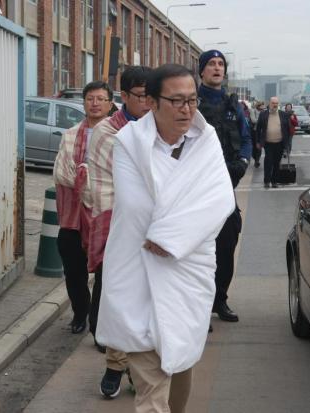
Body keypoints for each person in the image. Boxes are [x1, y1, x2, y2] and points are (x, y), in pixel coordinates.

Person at [96, 63, 235, 413]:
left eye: (192, 100)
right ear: (152, 102)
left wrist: (170, 237)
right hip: (139, 271)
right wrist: (177, 219)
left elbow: (220, 201)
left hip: (188, 270)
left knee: (180, 362)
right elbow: (136, 206)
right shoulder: (129, 142)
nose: (187, 109)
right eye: (176, 101)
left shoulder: (207, 141)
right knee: (151, 386)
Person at [87, 66, 152, 398]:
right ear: (123, 96)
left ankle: (140, 368)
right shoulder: (107, 132)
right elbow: (107, 187)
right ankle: (115, 364)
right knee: (120, 298)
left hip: (156, 229)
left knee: (151, 301)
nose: (148, 102)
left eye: (152, 95)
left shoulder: (162, 128)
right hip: (119, 227)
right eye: (141, 96)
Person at [52, 81, 114, 336]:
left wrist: (84, 176)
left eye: (100, 99)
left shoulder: (119, 136)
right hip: (73, 214)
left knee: (104, 271)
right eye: (90, 98)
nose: (95, 103)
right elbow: (61, 172)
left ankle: (98, 321)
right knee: (73, 267)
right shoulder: (70, 135)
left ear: (110, 104)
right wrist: (87, 177)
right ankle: (80, 312)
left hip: (104, 212)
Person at [197, 49, 252, 323]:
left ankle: (220, 300)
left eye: (221, 64)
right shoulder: (192, 104)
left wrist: (243, 161)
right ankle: (199, 307)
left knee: (227, 244)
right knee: (198, 250)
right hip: (198, 188)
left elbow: (246, 138)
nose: (217, 68)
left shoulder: (233, 105)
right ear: (202, 71)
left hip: (226, 184)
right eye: (211, 64)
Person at [256, 96, 291, 188]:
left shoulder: (283, 114)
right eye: (273, 103)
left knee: (276, 163)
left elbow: (287, 130)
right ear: (269, 103)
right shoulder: (263, 114)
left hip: (280, 143)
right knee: (268, 162)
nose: (275, 105)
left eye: (276, 103)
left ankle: (274, 181)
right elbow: (258, 128)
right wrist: (258, 141)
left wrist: (287, 143)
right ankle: (267, 181)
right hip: (268, 143)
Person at [250, 101, 265, 167]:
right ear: (258, 106)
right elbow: (253, 120)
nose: (262, 107)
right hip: (254, 131)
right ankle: (255, 157)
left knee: (259, 146)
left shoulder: (264, 112)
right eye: (261, 105)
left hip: (261, 131)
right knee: (254, 146)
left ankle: (257, 160)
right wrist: (261, 121)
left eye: (263, 105)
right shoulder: (253, 111)